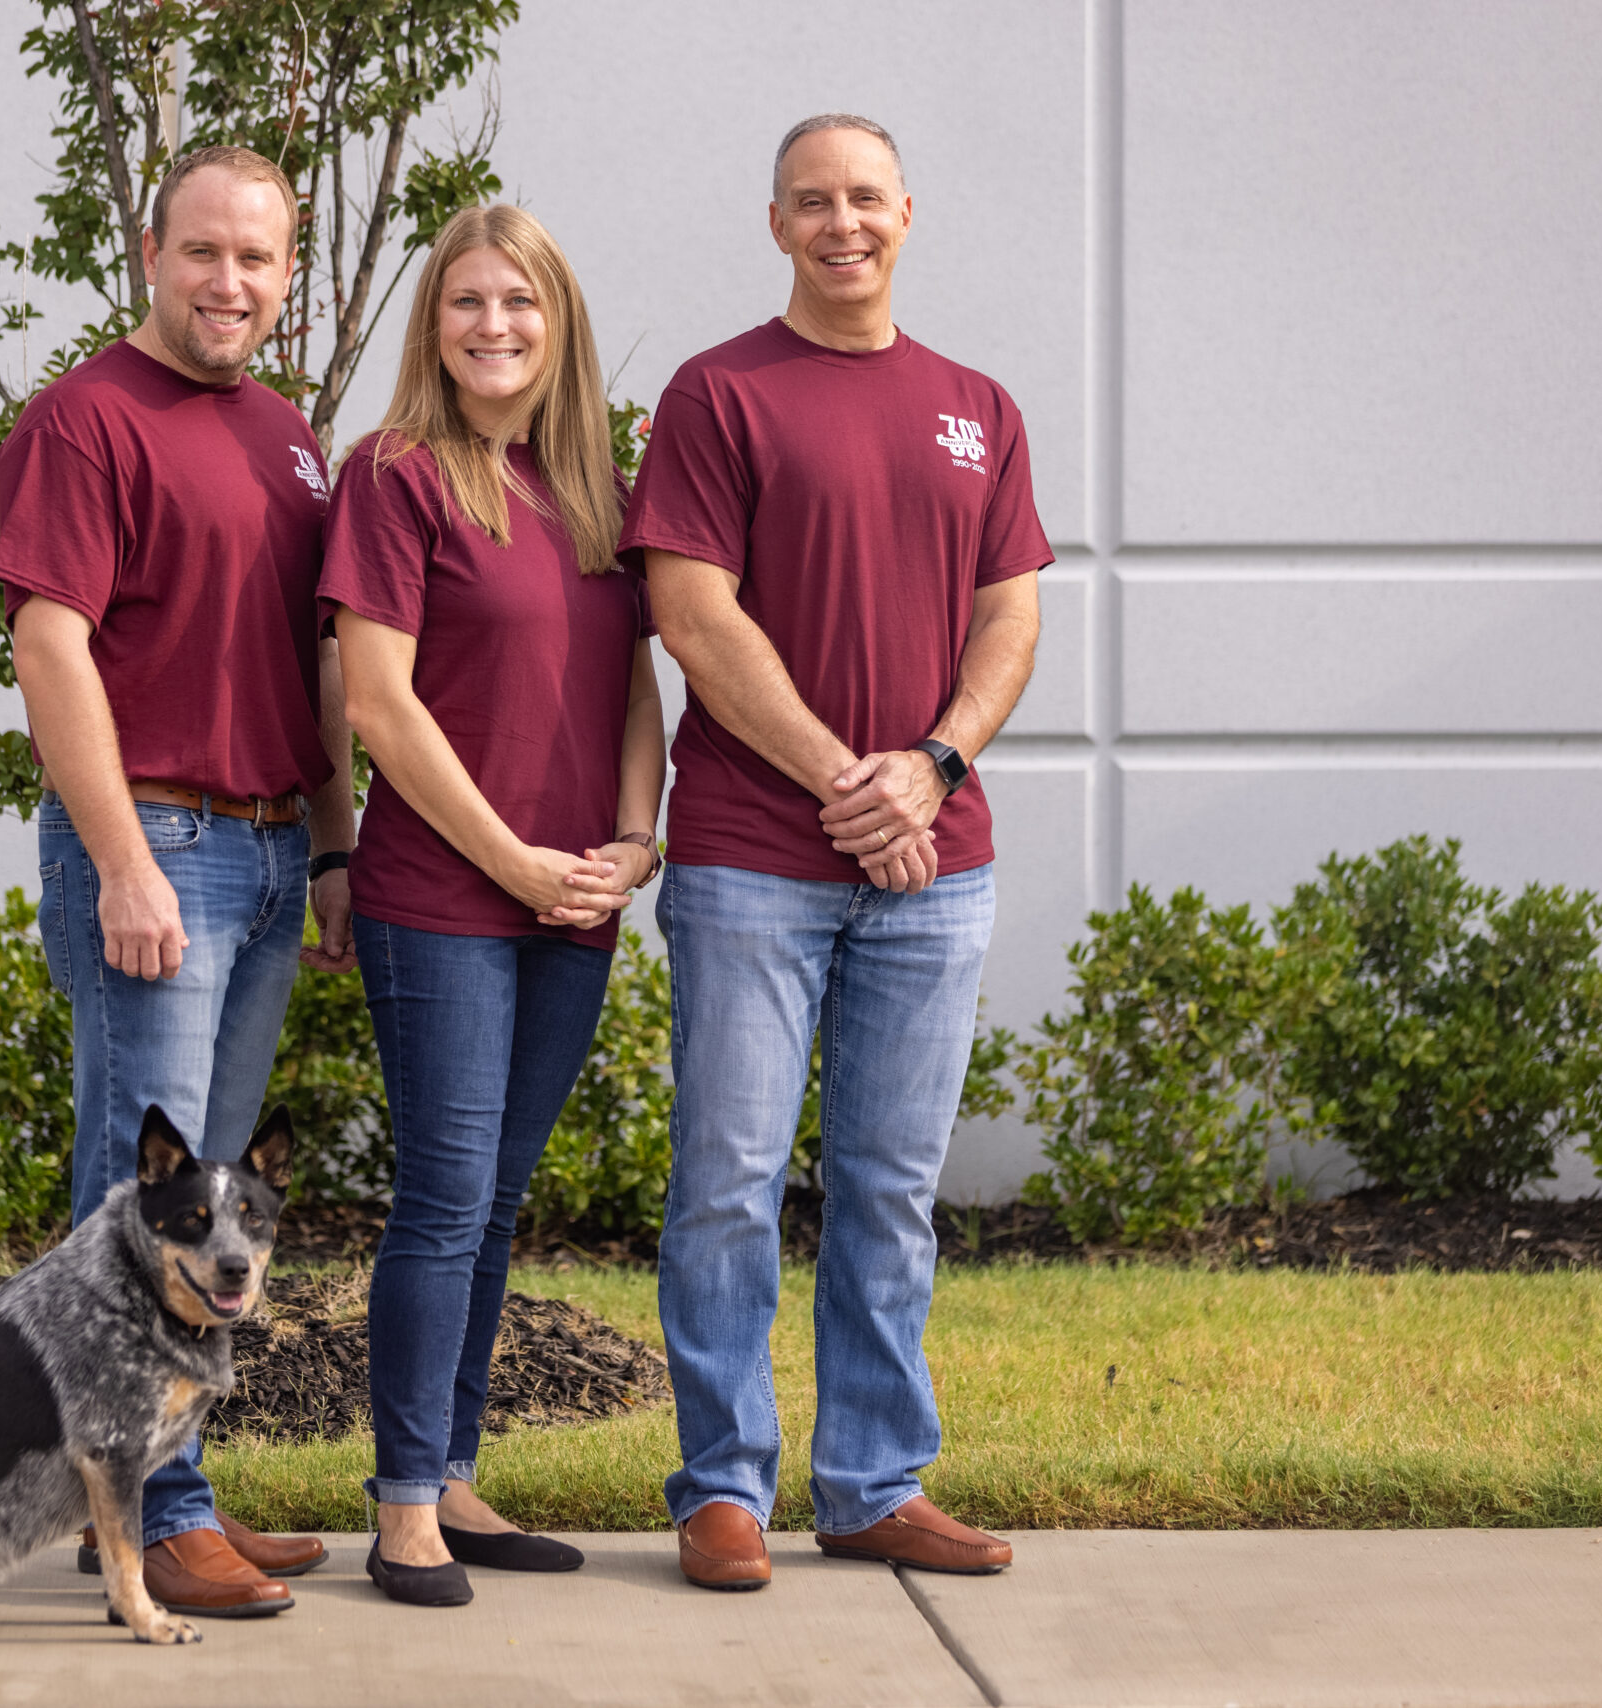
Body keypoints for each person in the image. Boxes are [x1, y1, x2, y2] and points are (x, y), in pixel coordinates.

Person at [620, 114, 1048, 1591]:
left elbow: (1012, 616)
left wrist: (929, 769)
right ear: (777, 222)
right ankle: (721, 1490)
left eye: (866, 199)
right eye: (815, 202)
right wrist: (841, 781)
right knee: (730, 1182)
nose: (842, 223)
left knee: (889, 1187)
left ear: (909, 214)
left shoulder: (976, 406)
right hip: (754, 854)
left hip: (941, 859)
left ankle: (872, 1481)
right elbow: (692, 610)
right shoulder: (719, 394)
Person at [0, 144, 355, 1620]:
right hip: (162, 848)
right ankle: (157, 1515)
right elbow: (50, 647)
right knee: (136, 1206)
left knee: (206, 1199)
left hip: (267, 851)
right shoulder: (85, 421)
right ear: (151, 252)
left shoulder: (291, 437)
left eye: (258, 261)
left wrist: (329, 844)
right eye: (204, 253)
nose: (230, 283)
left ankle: (157, 1499)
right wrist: (124, 859)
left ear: (288, 271)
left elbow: (311, 665)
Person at [319, 204, 666, 1608]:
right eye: (466, 302)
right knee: (446, 1198)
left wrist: (634, 840)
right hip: (445, 901)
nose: (494, 327)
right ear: (434, 325)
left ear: (558, 322)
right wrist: (515, 859)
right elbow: (377, 707)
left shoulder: (595, 491)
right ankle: (402, 1503)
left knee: (500, 1199)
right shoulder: (395, 475)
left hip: (577, 899)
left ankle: (454, 1474)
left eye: (518, 302)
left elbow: (635, 687)